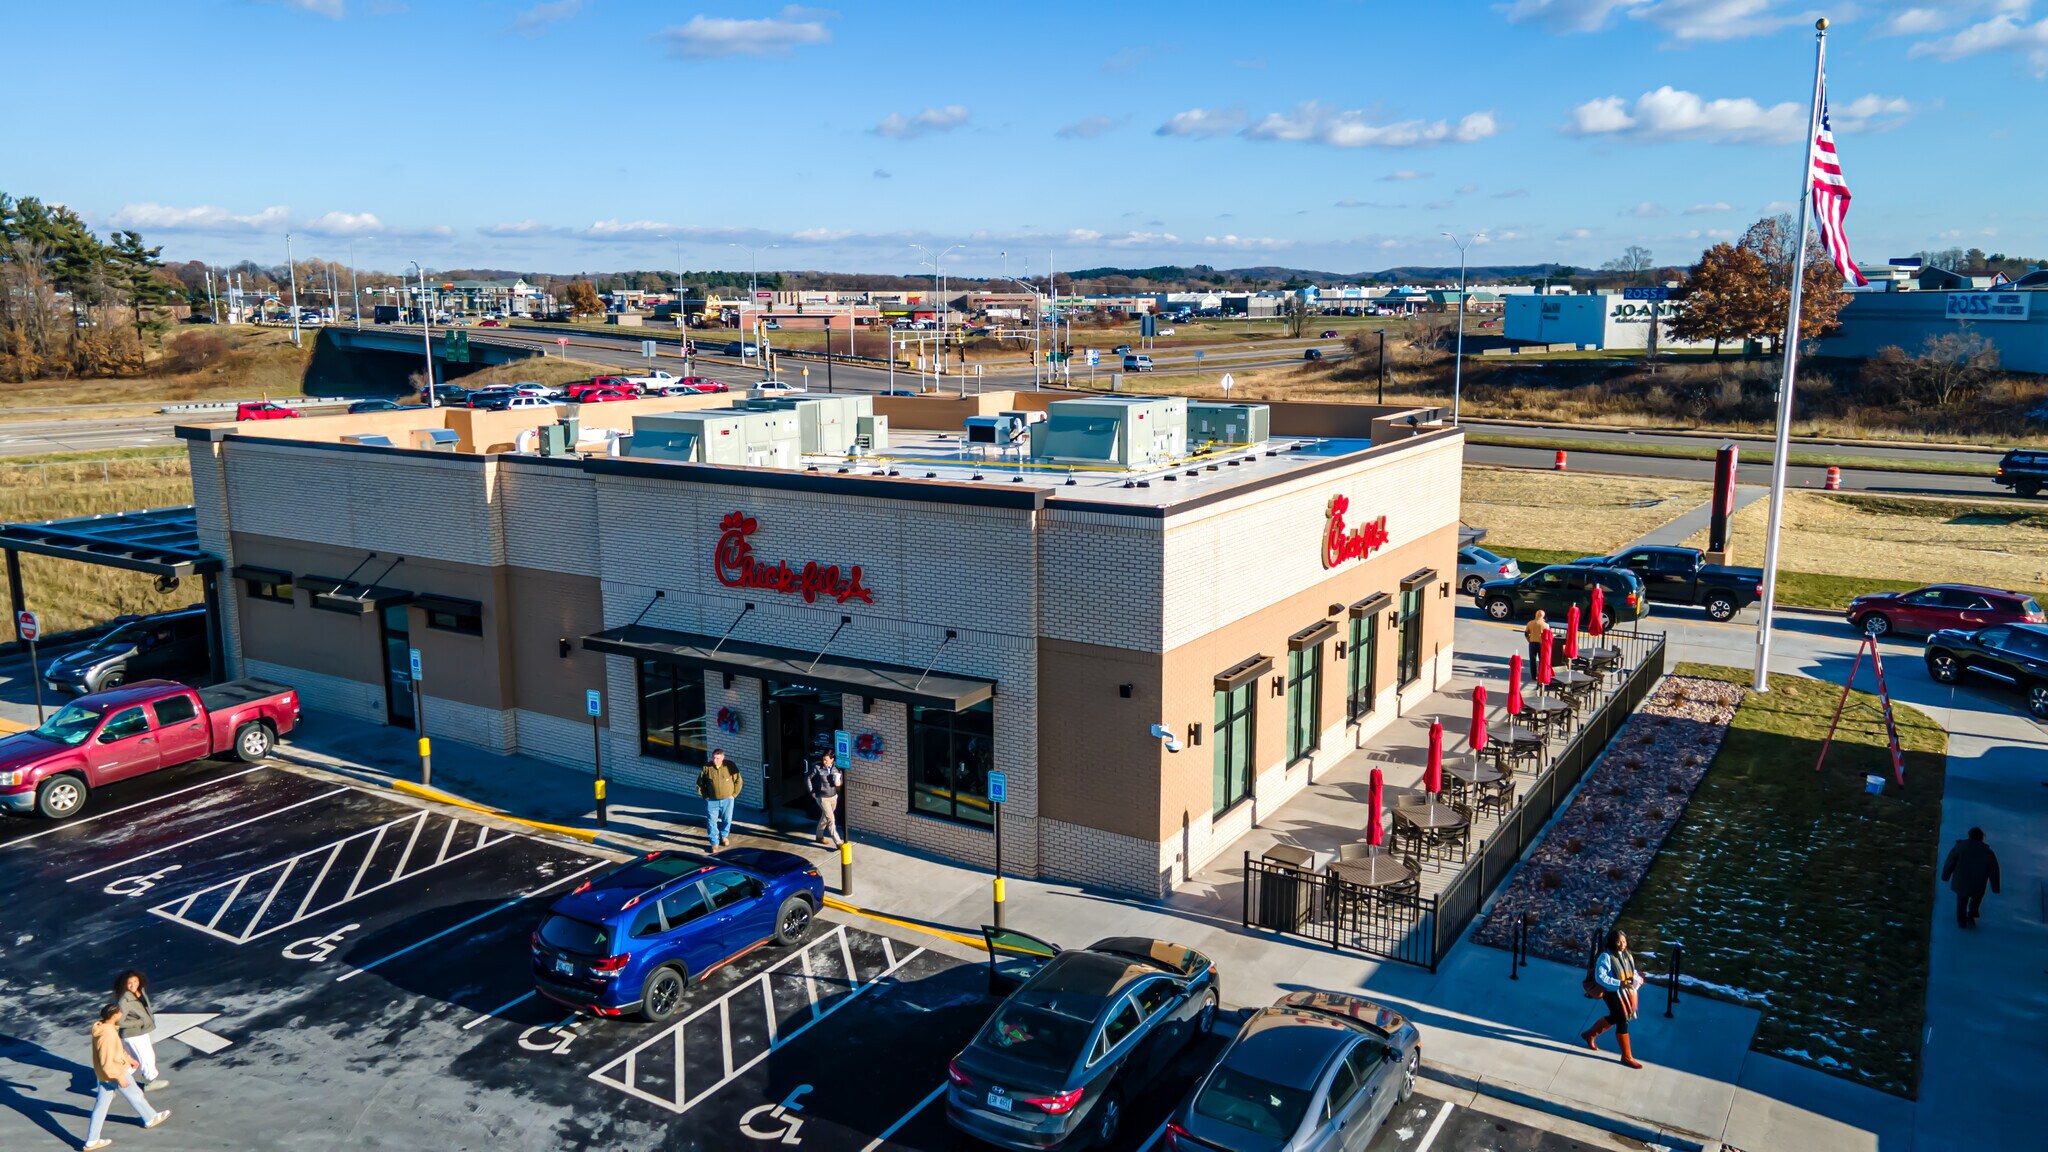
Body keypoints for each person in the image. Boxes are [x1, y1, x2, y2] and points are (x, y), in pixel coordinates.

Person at [85, 1003, 168, 1150]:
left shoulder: (104, 1028)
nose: (122, 1013)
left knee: (101, 1106)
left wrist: (129, 1059)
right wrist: (119, 1077)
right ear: (114, 1015)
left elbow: (116, 1051)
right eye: (119, 1012)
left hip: (104, 1075)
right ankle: (150, 1118)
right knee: (135, 1094)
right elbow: (107, 1060)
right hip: (115, 1072)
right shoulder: (108, 1034)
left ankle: (92, 1141)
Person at [1580, 928, 1646, 1069]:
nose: (1622, 944)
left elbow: (1631, 971)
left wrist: (1637, 979)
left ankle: (1590, 1034)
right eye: (1618, 942)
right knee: (1622, 1019)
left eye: (1623, 941)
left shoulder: (1627, 954)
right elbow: (1600, 977)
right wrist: (1618, 983)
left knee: (1616, 1017)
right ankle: (1626, 1056)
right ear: (1612, 942)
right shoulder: (1605, 957)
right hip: (1612, 993)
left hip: (1625, 992)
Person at [113, 970, 165, 1092]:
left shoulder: (139, 992)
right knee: (146, 1057)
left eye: (135, 981)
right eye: (129, 983)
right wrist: (140, 1022)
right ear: (124, 984)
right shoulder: (124, 1001)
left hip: (140, 1032)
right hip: (133, 1034)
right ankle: (150, 1081)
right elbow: (119, 1022)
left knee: (135, 1060)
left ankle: (112, 1083)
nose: (133, 985)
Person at [1941, 827, 2001, 929]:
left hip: (1961, 881)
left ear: (1969, 835)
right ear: (1981, 838)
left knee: (1961, 901)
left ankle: (1961, 921)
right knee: (1976, 900)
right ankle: (1971, 915)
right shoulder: (1987, 852)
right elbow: (1994, 870)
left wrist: (1945, 876)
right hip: (1978, 882)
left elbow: (1950, 861)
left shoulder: (1961, 847)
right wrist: (1995, 887)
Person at [696, 749, 743, 851]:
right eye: (713, 758)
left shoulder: (730, 766)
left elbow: (738, 781)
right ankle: (714, 842)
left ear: (722, 758)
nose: (714, 760)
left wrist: (734, 795)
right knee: (711, 822)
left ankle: (724, 836)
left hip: (728, 800)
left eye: (717, 758)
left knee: (727, 820)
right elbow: (700, 783)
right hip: (712, 801)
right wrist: (705, 796)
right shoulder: (707, 767)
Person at [808, 752, 844, 848]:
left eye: (826, 760)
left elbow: (840, 780)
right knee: (831, 819)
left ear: (832, 760)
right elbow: (807, 778)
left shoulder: (837, 768)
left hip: (833, 796)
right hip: (823, 798)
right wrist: (812, 792)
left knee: (825, 816)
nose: (824, 762)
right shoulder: (817, 767)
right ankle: (838, 842)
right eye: (823, 759)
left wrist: (839, 783)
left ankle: (819, 836)